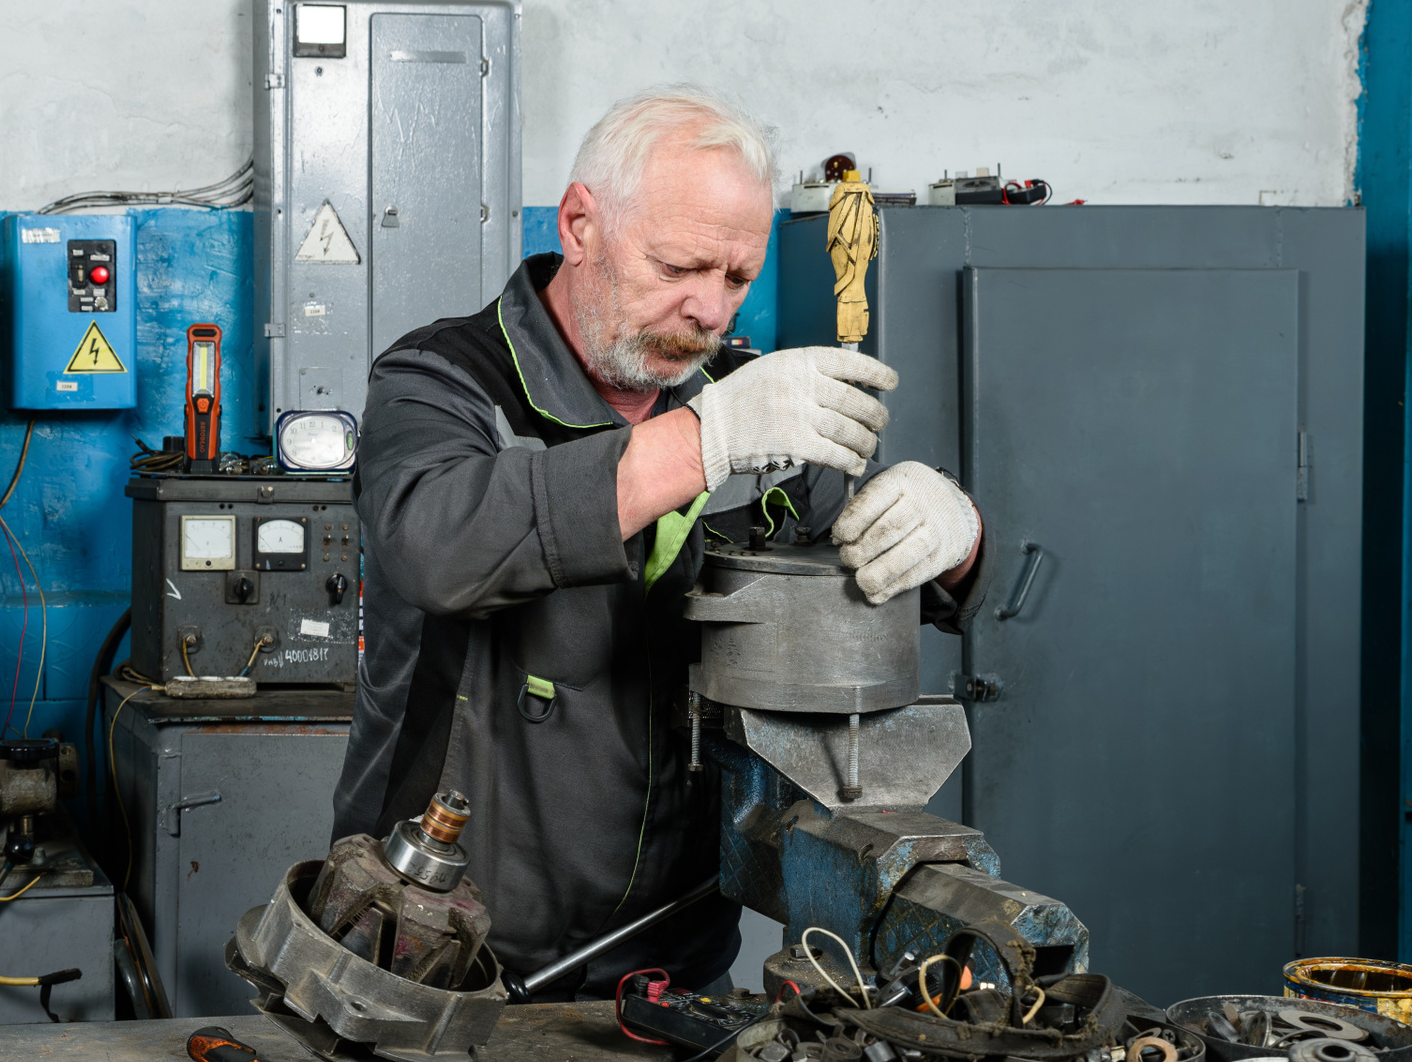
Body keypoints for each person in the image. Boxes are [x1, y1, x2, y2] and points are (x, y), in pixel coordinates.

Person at [332, 87, 987, 998]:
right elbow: (438, 546)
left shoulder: (749, 406)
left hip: (674, 971)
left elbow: (882, 566)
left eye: (737, 278)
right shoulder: (443, 383)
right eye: (678, 266)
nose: (710, 311)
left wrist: (952, 532)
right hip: (438, 951)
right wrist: (702, 442)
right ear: (580, 226)